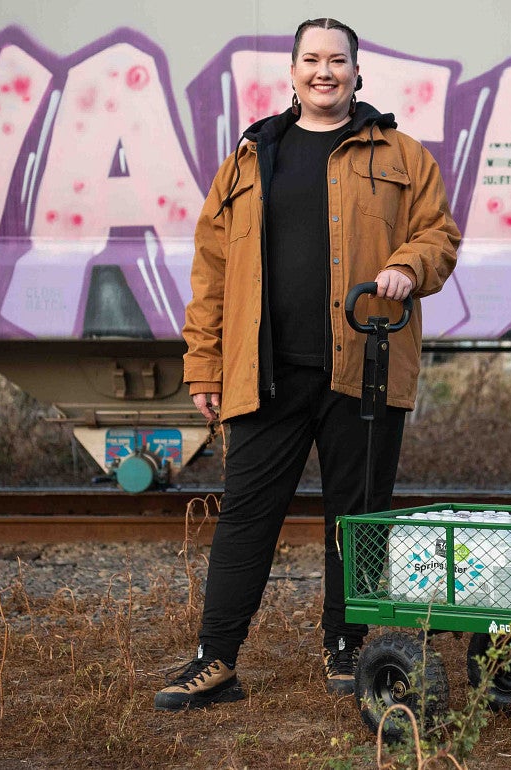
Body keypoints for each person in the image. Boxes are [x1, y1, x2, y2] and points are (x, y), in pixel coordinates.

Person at [154, 18, 460, 711]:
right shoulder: (251, 158)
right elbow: (211, 268)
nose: (325, 72)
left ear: (358, 71)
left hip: (366, 366)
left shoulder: (403, 155)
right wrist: (203, 363)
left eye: (338, 61)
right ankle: (215, 661)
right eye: (312, 60)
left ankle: (347, 651)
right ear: (292, 72)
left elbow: (440, 235)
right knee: (245, 516)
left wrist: (409, 267)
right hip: (266, 372)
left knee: (356, 519)